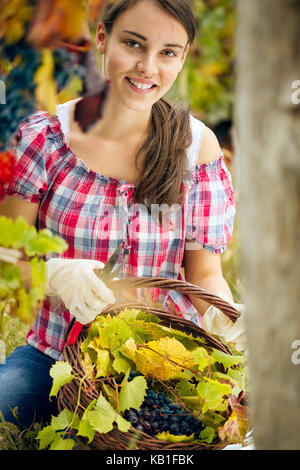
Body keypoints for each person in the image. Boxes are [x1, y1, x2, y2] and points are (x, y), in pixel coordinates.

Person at [0, 0, 245, 430]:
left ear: (182, 57)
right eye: (134, 43)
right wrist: (53, 273)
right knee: (8, 399)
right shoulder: (44, 139)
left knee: (218, 422)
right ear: (102, 39)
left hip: (160, 361)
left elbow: (204, 272)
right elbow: (7, 258)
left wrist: (226, 313)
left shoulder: (194, 148)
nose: (148, 67)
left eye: (168, 51)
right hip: (58, 356)